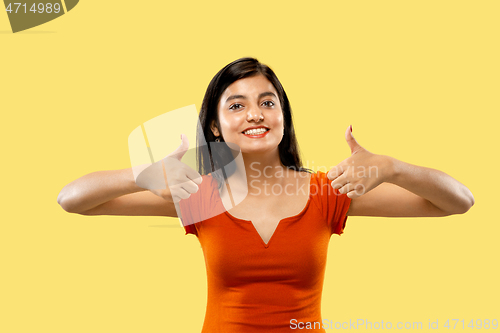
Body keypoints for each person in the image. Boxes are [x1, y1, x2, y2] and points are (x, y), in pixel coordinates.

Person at [57, 57, 474, 332]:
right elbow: (73, 199)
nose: (255, 113)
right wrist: (145, 174)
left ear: (283, 117)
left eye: (267, 102)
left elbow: (457, 201)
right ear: (216, 127)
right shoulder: (199, 196)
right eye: (236, 105)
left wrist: (393, 167)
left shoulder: (327, 191)